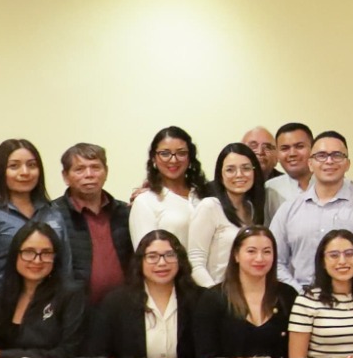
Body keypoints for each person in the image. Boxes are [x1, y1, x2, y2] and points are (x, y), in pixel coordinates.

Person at [0, 139, 71, 350]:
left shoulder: (52, 211)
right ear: (0, 171)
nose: (25, 172)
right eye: (14, 166)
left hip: (50, 312)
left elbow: (65, 266)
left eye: (32, 165)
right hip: (4, 312)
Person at [269, 130, 353, 290]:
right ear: (310, 163)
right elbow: (274, 261)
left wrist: (352, 295)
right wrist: (299, 295)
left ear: (347, 164)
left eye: (337, 155)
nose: (329, 161)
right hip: (300, 298)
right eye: (321, 155)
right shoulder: (288, 209)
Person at [0, 222, 86, 358]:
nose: (37, 260)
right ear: (15, 255)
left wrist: (2, 355)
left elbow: (67, 354)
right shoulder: (5, 293)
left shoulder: (70, 294)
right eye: (29, 252)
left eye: (46, 253)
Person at [83, 230, 198, 358]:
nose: (162, 263)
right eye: (152, 256)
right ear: (140, 261)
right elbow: (97, 356)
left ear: (180, 260)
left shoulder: (202, 301)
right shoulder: (116, 303)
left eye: (170, 255)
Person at [192, 225, 298, 358]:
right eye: (251, 251)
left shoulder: (287, 295)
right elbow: (207, 355)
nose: (259, 258)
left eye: (266, 252)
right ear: (236, 255)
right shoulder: (213, 298)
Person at [51, 143, 131, 307]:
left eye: (95, 167)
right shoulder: (52, 216)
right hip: (75, 311)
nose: (89, 175)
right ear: (65, 176)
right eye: (79, 169)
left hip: (122, 310)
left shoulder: (125, 213)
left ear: (106, 172)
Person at [287, 229, 353, 358]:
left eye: (349, 254)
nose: (342, 261)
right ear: (323, 261)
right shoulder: (306, 301)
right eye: (334, 255)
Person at [188, 143, 270, 287]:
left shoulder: (252, 209)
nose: (239, 174)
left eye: (246, 168)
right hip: (217, 293)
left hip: (248, 292)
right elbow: (195, 261)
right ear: (220, 175)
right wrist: (215, 294)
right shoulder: (210, 207)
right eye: (230, 170)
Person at [129, 126, 205, 249]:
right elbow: (147, 254)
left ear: (190, 157)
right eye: (165, 154)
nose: (173, 160)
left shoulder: (204, 194)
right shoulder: (145, 201)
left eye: (181, 153)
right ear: (153, 158)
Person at [264, 123, 314, 210]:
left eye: (299, 146)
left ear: (313, 149)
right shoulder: (270, 189)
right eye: (285, 148)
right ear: (277, 153)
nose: (292, 153)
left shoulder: (331, 183)